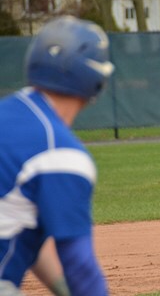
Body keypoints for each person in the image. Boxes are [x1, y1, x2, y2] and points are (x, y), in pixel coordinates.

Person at [0, 16, 114, 295]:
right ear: (95, 80)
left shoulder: (8, 113)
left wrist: (61, 287)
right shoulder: (60, 154)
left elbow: (16, 223)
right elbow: (79, 266)